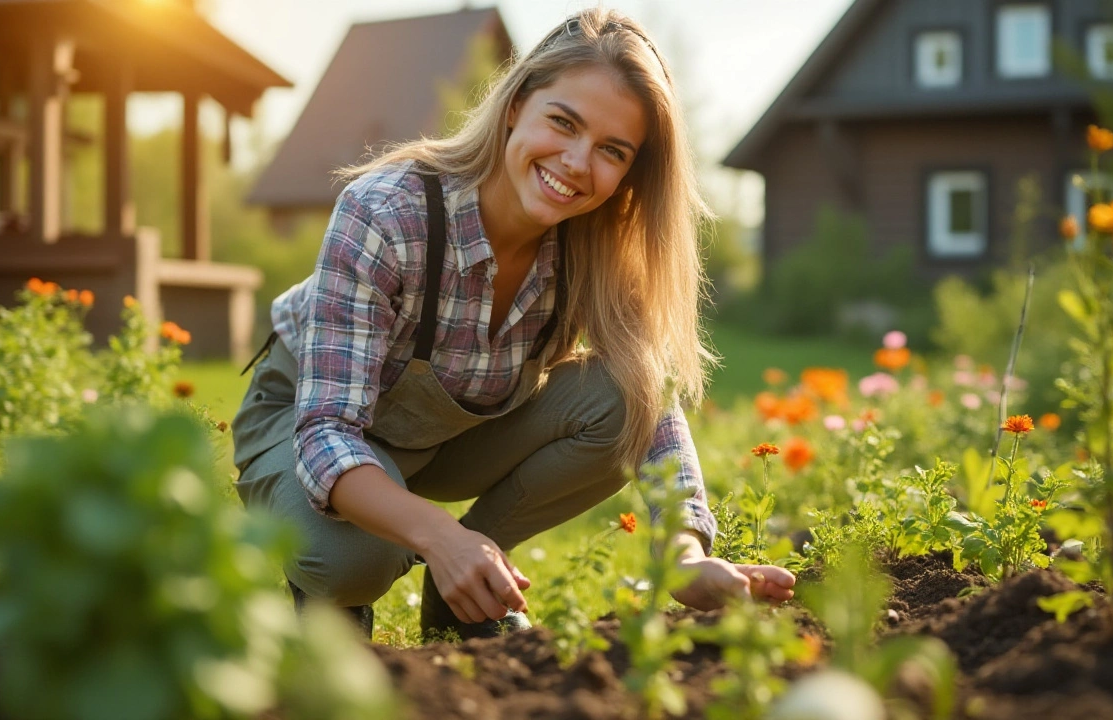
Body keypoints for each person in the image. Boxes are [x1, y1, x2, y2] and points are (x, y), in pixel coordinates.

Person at [231, 8, 796, 641]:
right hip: (309, 419)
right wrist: (439, 533)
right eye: (563, 122)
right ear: (515, 105)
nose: (578, 164)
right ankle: (341, 601)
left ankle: (469, 594)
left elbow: (650, 406)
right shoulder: (386, 213)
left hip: (446, 434)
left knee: (624, 398)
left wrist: (683, 554)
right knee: (353, 559)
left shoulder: (598, 247)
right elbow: (328, 432)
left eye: (612, 151)